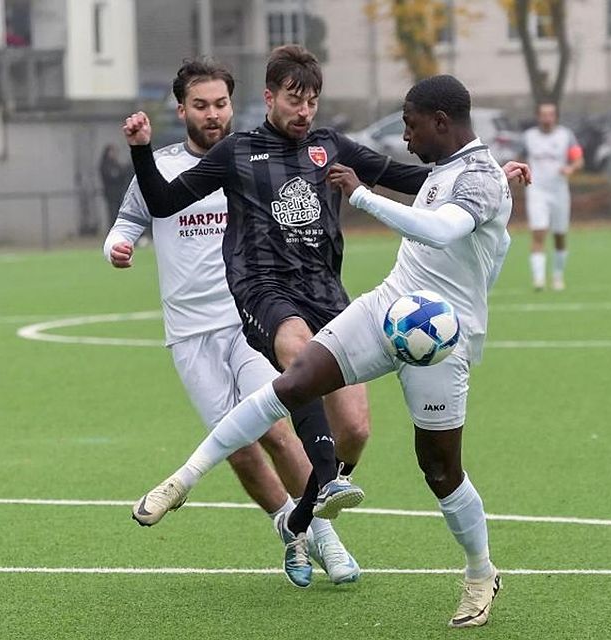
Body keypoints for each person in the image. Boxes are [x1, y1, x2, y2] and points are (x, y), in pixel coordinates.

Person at [123, 45, 530, 588]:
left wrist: (490, 178)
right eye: (295, 100)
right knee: (295, 353)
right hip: (263, 288)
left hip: (323, 287)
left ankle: (311, 504)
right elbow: (162, 201)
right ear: (269, 97)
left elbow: (405, 177)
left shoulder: (328, 145)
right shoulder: (238, 151)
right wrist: (142, 150)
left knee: (356, 428)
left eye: (312, 101)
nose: (305, 111)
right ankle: (288, 485)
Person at [105, 58, 360, 586]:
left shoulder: (251, 157)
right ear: (182, 110)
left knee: (277, 431)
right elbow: (133, 217)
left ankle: (327, 538)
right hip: (188, 333)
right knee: (240, 450)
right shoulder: (165, 169)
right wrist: (120, 244)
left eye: (221, 103)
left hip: (250, 320)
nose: (213, 114)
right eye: (201, 105)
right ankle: (291, 531)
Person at [523, 101, 583, 291]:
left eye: (550, 114)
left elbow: (578, 159)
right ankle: (538, 280)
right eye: (543, 114)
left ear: (555, 116)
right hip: (537, 191)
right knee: (538, 232)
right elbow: (518, 157)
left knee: (559, 235)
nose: (547, 118)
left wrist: (571, 168)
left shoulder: (566, 136)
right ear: (538, 116)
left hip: (559, 191)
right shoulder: (529, 137)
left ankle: (557, 276)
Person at [99, 144, 131, 229]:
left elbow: (122, 175)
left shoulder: (116, 164)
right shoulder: (105, 165)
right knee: (113, 213)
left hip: (119, 193)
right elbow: (112, 176)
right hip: (111, 194)